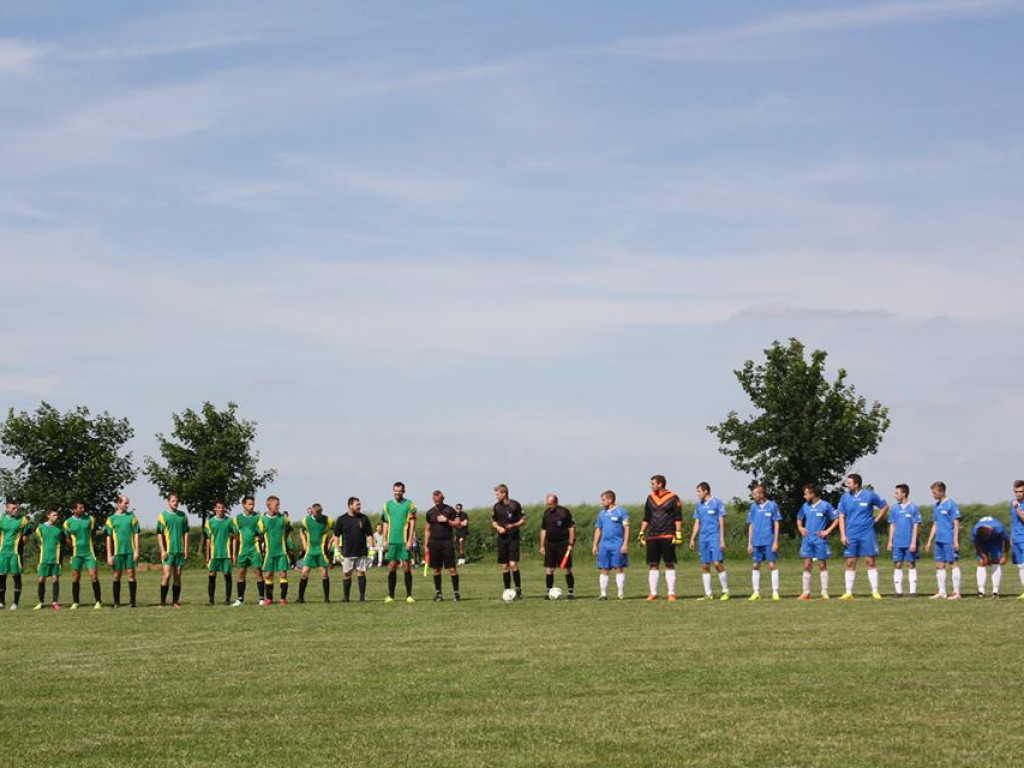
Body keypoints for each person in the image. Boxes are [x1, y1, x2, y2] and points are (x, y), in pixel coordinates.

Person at [837, 473, 888, 600]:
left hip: (867, 533)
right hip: (850, 534)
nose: (847, 485)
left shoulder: (869, 495)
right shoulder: (845, 497)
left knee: (869, 561)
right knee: (850, 562)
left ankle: (875, 591)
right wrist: (843, 534)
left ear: (857, 484)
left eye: (849, 483)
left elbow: (885, 506)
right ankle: (848, 592)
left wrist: (876, 520)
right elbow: (841, 516)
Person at [639, 475, 683, 601]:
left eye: (653, 483)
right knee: (653, 565)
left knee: (669, 564)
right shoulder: (650, 498)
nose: (651, 485)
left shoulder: (673, 497)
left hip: (668, 534)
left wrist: (678, 533)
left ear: (660, 484)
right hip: (652, 536)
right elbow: (646, 517)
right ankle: (653, 593)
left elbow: (678, 517)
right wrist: (642, 532)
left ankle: (671, 593)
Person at [796, 484, 838, 600]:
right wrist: (800, 528)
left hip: (820, 540)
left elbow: (836, 519)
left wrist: (827, 531)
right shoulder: (804, 506)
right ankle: (806, 592)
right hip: (807, 539)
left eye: (806, 494)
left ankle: (824, 592)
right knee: (807, 564)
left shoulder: (825, 505)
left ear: (812, 494)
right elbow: (799, 518)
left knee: (822, 564)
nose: (804, 496)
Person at [690, 482, 730, 601]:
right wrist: (692, 538)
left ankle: (725, 591)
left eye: (699, 491)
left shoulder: (717, 503)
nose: (697, 494)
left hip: (715, 537)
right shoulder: (699, 506)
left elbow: (722, 523)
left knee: (717, 563)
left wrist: (722, 540)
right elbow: (697, 523)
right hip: (703, 538)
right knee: (705, 565)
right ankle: (708, 594)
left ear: (705, 491)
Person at [924, 481, 962, 600]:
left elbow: (956, 523)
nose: (933, 495)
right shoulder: (936, 506)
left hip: (949, 539)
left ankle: (956, 592)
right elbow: (935, 524)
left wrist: (956, 541)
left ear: (942, 491)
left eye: (934, 492)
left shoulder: (951, 504)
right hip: (939, 540)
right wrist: (930, 541)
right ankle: (942, 592)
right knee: (939, 565)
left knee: (953, 564)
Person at [332, 497, 374, 602]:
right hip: (347, 552)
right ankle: (346, 597)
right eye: (357, 505)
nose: (359, 507)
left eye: (359, 504)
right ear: (350, 506)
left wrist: (372, 550)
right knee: (346, 574)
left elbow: (369, 535)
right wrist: (336, 551)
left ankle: (362, 597)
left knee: (361, 573)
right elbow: (336, 536)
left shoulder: (364, 518)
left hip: (361, 552)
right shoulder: (341, 519)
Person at [424, 490, 463, 601]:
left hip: (447, 542)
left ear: (443, 498)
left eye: (438, 500)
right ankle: (438, 594)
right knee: (436, 569)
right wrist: (426, 544)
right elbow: (427, 529)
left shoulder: (450, 510)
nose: (437, 503)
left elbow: (458, 524)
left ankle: (456, 593)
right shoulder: (430, 512)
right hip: (434, 543)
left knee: (452, 569)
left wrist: (447, 520)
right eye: (435, 501)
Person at [63, 501, 102, 610]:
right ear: (74, 509)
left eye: (83, 507)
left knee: (93, 576)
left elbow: (93, 534)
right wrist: (74, 548)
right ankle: (75, 602)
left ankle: (98, 601)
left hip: (89, 553)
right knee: (75, 577)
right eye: (80, 508)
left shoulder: (90, 519)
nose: (83, 509)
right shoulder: (68, 523)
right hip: (76, 554)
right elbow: (67, 539)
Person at [383, 482, 417, 604]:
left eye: (400, 491)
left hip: (404, 541)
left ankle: (409, 595)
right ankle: (391, 595)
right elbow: (386, 523)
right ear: (393, 490)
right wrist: (385, 539)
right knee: (392, 567)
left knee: (406, 568)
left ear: (404, 491)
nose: (397, 493)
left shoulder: (409, 504)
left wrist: (410, 540)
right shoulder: (387, 505)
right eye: (396, 490)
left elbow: (413, 523)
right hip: (392, 541)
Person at [746, 485, 781, 601]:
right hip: (756, 541)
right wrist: (749, 543)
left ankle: (775, 592)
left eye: (754, 494)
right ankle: (756, 592)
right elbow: (750, 525)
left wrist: (775, 541)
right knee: (755, 565)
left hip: (769, 541)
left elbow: (776, 524)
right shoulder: (753, 507)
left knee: (772, 565)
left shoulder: (772, 505)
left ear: (761, 494)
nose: (753, 496)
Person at [105, 493, 140, 608]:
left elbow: (136, 534)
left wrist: (136, 551)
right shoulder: (111, 519)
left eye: (128, 503)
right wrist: (109, 555)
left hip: (130, 551)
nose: (127, 505)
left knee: (131, 574)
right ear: (118, 503)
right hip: (117, 552)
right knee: (117, 575)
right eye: (125, 503)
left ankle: (133, 602)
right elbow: (108, 538)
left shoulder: (132, 517)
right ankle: (116, 602)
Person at [886, 484, 921, 597]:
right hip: (897, 542)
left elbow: (916, 525)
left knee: (911, 564)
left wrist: (913, 542)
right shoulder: (894, 508)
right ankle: (898, 591)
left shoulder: (913, 508)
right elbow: (892, 525)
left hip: (909, 542)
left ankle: (912, 591)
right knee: (897, 564)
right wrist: (890, 542)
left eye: (897, 493)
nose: (895, 495)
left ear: (904, 494)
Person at [593, 490, 629, 600]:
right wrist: (595, 544)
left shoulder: (621, 512)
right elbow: (598, 529)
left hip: (617, 545)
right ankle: (603, 594)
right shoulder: (601, 513)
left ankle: (620, 593)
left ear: (610, 500)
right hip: (604, 545)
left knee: (619, 568)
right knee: (603, 569)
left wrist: (625, 544)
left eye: (603, 500)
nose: (601, 502)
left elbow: (626, 528)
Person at [492, 484, 526, 599]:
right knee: (505, 566)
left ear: (504, 493)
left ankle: (518, 589)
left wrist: (514, 525)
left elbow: (523, 520)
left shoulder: (515, 505)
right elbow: (494, 521)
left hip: (513, 538)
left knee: (513, 564)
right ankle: (507, 590)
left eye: (497, 494)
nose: (496, 496)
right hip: (502, 539)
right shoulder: (496, 507)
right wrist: (498, 527)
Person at [539, 494, 576, 599]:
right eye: (547, 504)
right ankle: (548, 592)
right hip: (550, 544)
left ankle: (570, 593)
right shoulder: (546, 513)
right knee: (549, 569)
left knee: (566, 569)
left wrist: (571, 544)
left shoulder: (564, 512)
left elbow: (572, 528)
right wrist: (542, 546)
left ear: (556, 502)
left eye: (550, 504)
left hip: (563, 544)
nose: (549, 506)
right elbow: (543, 530)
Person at [157, 493, 190, 608]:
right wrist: (162, 550)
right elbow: (159, 534)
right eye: (173, 501)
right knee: (166, 575)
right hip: (168, 551)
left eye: (176, 501)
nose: (175, 503)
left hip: (179, 551)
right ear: (168, 502)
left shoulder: (183, 516)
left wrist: (185, 549)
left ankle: (175, 601)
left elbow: (186, 533)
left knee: (178, 575)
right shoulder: (163, 516)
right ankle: (162, 602)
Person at [231, 496, 265, 606]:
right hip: (243, 550)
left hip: (255, 550)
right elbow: (233, 534)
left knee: (258, 572)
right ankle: (240, 599)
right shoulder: (237, 519)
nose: (252, 506)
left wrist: (259, 538)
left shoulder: (258, 517)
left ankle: (261, 598)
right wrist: (235, 551)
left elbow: (262, 533)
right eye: (249, 504)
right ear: (244, 505)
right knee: (241, 573)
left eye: (253, 504)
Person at [259, 495, 292, 605]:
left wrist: (285, 539)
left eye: (278, 504)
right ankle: (269, 599)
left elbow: (289, 529)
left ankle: (283, 599)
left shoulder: (283, 518)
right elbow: (258, 535)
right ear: (269, 505)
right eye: (276, 505)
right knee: (268, 575)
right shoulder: (263, 520)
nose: (278, 507)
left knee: (283, 574)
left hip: (281, 552)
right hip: (269, 553)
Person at [298, 503, 332, 603]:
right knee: (304, 573)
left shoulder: (327, 520)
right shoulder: (306, 520)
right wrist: (304, 543)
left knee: (325, 574)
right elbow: (301, 530)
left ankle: (326, 598)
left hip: (321, 551)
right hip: (310, 551)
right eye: (317, 512)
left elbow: (337, 530)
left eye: (321, 511)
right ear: (312, 511)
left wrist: (331, 541)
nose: (319, 514)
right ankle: (300, 598)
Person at [205, 501, 236, 606]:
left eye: (223, 507)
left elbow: (235, 537)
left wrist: (233, 554)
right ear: (215, 508)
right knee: (212, 575)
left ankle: (227, 599)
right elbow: (208, 540)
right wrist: (207, 556)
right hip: (214, 554)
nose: (221, 509)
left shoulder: (229, 521)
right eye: (219, 507)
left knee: (227, 575)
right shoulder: (209, 522)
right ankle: (211, 600)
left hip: (226, 554)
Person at [0, 499, 30, 610]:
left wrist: (19, 546)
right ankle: (1, 602)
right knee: (1, 577)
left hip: (15, 554)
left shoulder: (23, 521)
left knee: (16, 577)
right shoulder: (1, 520)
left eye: (17, 507)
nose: (16, 510)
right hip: (2, 553)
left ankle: (15, 603)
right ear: (7, 509)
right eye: (13, 508)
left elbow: (26, 537)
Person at [33, 508, 63, 611]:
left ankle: (55, 602)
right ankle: (40, 602)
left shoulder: (59, 528)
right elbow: (36, 542)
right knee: (41, 579)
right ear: (48, 516)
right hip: (44, 559)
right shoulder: (40, 528)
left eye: (57, 515)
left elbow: (63, 541)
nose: (56, 517)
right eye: (54, 515)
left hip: (55, 559)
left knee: (55, 579)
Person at [972, 516, 1009, 598]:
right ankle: (981, 591)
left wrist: (1005, 556)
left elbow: (1007, 541)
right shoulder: (975, 531)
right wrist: (984, 556)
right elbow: (976, 544)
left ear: (990, 531)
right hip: (982, 544)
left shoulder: (999, 528)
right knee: (981, 562)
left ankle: (995, 591)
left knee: (996, 561)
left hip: (995, 542)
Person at [1009, 480, 1024, 599]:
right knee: (1020, 565)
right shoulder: (1012, 503)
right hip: (1016, 538)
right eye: (1016, 491)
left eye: (1021, 491)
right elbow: (1013, 521)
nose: (1018, 494)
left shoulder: (1017, 505)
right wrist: (1011, 536)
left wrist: (1018, 508)